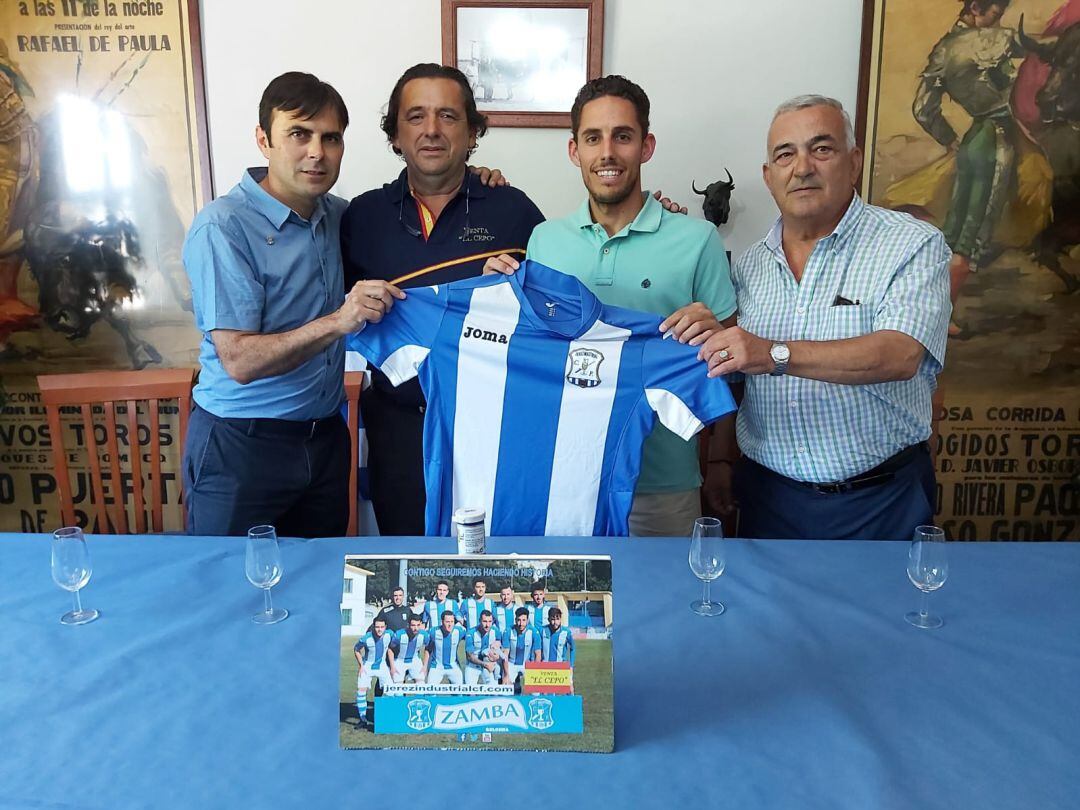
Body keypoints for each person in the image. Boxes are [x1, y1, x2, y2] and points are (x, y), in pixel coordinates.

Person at [483, 75, 737, 535]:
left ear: (646, 146)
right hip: (563, 474)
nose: (607, 153)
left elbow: (732, 365)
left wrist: (716, 335)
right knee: (571, 605)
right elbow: (528, 349)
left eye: (623, 136)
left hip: (662, 481)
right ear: (573, 150)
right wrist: (493, 300)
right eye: (593, 138)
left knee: (665, 603)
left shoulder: (698, 239)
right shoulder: (545, 240)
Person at [697, 95, 951, 541]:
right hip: (768, 500)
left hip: (881, 502)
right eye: (785, 154)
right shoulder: (748, 266)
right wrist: (719, 459)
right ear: (768, 176)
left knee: (887, 612)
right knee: (766, 614)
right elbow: (735, 374)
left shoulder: (912, 244)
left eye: (821, 149)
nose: (802, 167)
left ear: (853, 163)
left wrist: (772, 353)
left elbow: (900, 354)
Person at [182, 71, 403, 537]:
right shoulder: (222, 227)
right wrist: (339, 322)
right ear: (264, 140)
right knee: (232, 591)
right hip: (241, 444)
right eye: (298, 134)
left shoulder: (340, 216)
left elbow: (418, 246)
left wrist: (478, 185)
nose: (316, 152)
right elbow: (239, 360)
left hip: (324, 440)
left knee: (316, 589)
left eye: (331, 138)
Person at [340, 63, 545, 536]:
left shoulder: (515, 211)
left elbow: (553, 316)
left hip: (496, 434)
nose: (431, 130)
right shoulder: (362, 217)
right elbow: (338, 319)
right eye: (415, 117)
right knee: (410, 575)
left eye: (448, 116)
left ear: (473, 132)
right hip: (399, 439)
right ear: (394, 134)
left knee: (497, 572)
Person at [354, 616, 394, 727]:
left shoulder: (389, 634)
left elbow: (394, 645)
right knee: (361, 691)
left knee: (391, 691)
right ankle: (363, 719)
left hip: (382, 666)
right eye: (377, 627)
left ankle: (385, 717)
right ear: (373, 627)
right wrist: (361, 665)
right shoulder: (366, 638)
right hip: (367, 666)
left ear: (385, 627)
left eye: (382, 627)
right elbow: (356, 649)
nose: (379, 629)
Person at [501, 606, 542, 691]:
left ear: (527, 620)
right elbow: (505, 654)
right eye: (518, 620)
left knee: (535, 690)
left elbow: (538, 654)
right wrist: (506, 674)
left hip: (528, 664)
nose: (521, 623)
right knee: (506, 688)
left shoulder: (534, 632)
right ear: (515, 620)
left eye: (523, 620)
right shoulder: (508, 631)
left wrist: (535, 672)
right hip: (511, 663)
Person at [425, 610, 466, 685]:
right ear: (442, 622)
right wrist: (425, 666)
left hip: (453, 666)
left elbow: (472, 634)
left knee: (460, 692)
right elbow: (427, 648)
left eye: (452, 621)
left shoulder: (459, 631)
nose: (450, 624)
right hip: (436, 666)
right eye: (447, 622)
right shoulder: (433, 631)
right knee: (429, 692)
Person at [387, 615, 429, 685]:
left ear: (421, 624)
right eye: (413, 625)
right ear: (408, 625)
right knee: (398, 688)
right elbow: (390, 649)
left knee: (421, 685)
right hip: (400, 660)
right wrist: (392, 666)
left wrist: (425, 666)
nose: (416, 628)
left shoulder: (424, 635)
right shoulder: (399, 635)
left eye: (418, 625)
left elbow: (427, 649)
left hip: (415, 660)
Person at [464, 610, 501, 685]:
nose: (487, 625)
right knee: (470, 693)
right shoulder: (470, 633)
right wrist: (484, 664)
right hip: (473, 666)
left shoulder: (496, 632)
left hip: (489, 665)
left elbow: (500, 649)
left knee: (493, 693)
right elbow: (469, 656)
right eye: (484, 621)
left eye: (490, 621)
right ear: (479, 621)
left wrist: (495, 657)